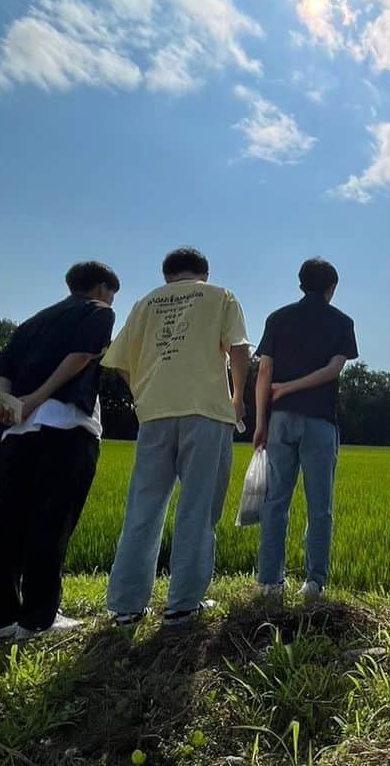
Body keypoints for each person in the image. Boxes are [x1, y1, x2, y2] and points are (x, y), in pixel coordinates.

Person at [102, 248, 250, 630]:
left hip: (154, 414)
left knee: (144, 508)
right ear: (205, 272)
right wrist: (237, 399)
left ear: (166, 274)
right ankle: (182, 605)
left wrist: (144, 392)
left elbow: (118, 362)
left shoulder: (145, 302)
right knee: (197, 508)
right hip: (207, 412)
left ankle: (126, 607)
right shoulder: (220, 296)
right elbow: (239, 349)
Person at [0, 261, 120, 641]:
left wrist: (13, 403)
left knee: (9, 523)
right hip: (66, 426)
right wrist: (38, 398)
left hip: (17, 434)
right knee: (52, 521)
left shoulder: (34, 321)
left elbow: (2, 369)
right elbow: (81, 356)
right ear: (101, 288)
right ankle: (38, 618)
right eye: (111, 291)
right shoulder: (99, 312)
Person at [253, 258, 358, 605]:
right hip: (320, 422)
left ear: (301, 284)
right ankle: (314, 583)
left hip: (281, 420)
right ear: (332, 287)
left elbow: (264, 372)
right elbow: (333, 370)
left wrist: (260, 422)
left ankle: (269, 582)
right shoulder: (342, 321)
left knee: (275, 503)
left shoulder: (277, 318)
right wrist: (295, 387)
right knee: (320, 507)